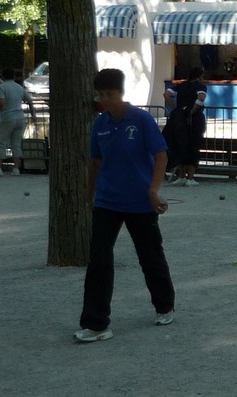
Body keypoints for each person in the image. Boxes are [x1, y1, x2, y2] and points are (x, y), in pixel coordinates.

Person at [74, 69, 175, 343]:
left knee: (150, 255)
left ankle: (164, 304)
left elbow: (161, 156)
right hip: (107, 200)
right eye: (101, 94)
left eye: (110, 93)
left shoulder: (141, 120)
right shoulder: (100, 123)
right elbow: (95, 161)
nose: (106, 99)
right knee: (99, 260)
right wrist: (89, 193)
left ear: (121, 92)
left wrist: (154, 190)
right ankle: (96, 324)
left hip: (139, 200)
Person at [163, 67, 207, 186]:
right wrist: (192, 111)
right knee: (193, 145)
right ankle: (190, 178)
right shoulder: (200, 86)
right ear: (200, 76)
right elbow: (201, 98)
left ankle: (181, 176)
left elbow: (166, 94)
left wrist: (175, 109)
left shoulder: (181, 85)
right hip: (194, 119)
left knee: (181, 145)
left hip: (179, 119)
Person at [0, 68, 36, 177]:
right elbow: (29, 101)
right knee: (16, 144)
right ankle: (16, 169)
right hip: (20, 117)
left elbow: (1, 101)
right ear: (14, 76)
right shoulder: (19, 87)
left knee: (1, 142)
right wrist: (33, 115)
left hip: (8, 116)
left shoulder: (1, 87)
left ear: (2, 76)